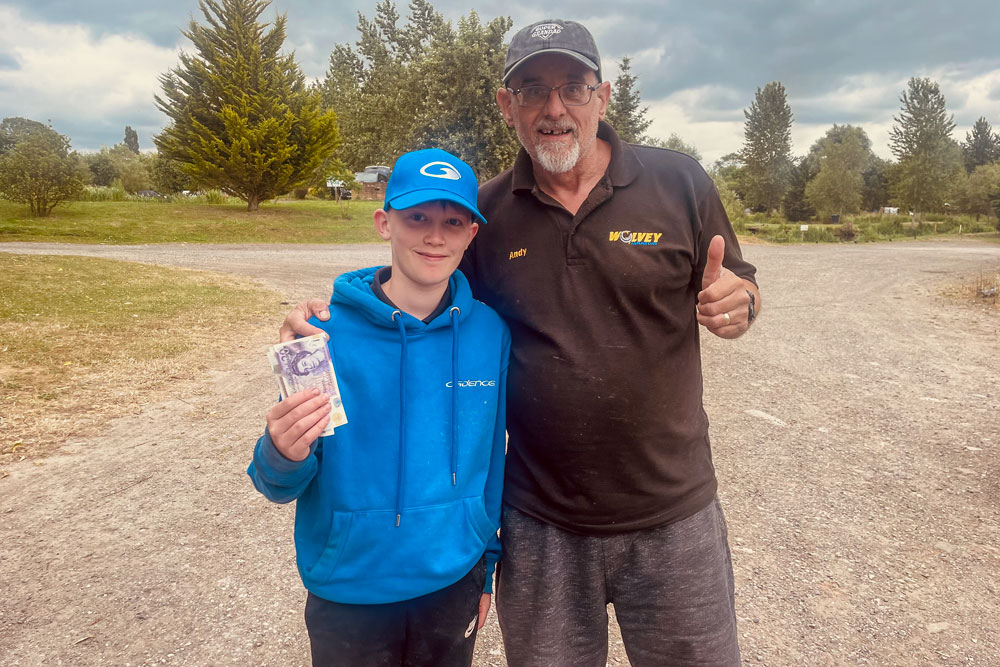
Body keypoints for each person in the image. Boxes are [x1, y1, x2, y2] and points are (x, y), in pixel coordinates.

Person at [280, 19, 760, 667]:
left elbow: (737, 281)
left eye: (573, 87)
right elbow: (423, 296)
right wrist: (334, 313)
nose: (554, 108)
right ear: (508, 106)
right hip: (541, 524)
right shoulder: (487, 214)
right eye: (533, 90)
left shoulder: (680, 184)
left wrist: (741, 302)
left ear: (603, 96)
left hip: (674, 513)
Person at [249, 148, 510, 667]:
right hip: (350, 589)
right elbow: (278, 484)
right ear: (383, 222)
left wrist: (487, 563)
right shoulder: (317, 337)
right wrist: (281, 452)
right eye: (417, 218)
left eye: (452, 221)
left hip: (453, 578)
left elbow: (493, 459)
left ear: (471, 234)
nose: (434, 237)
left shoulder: (488, 332)